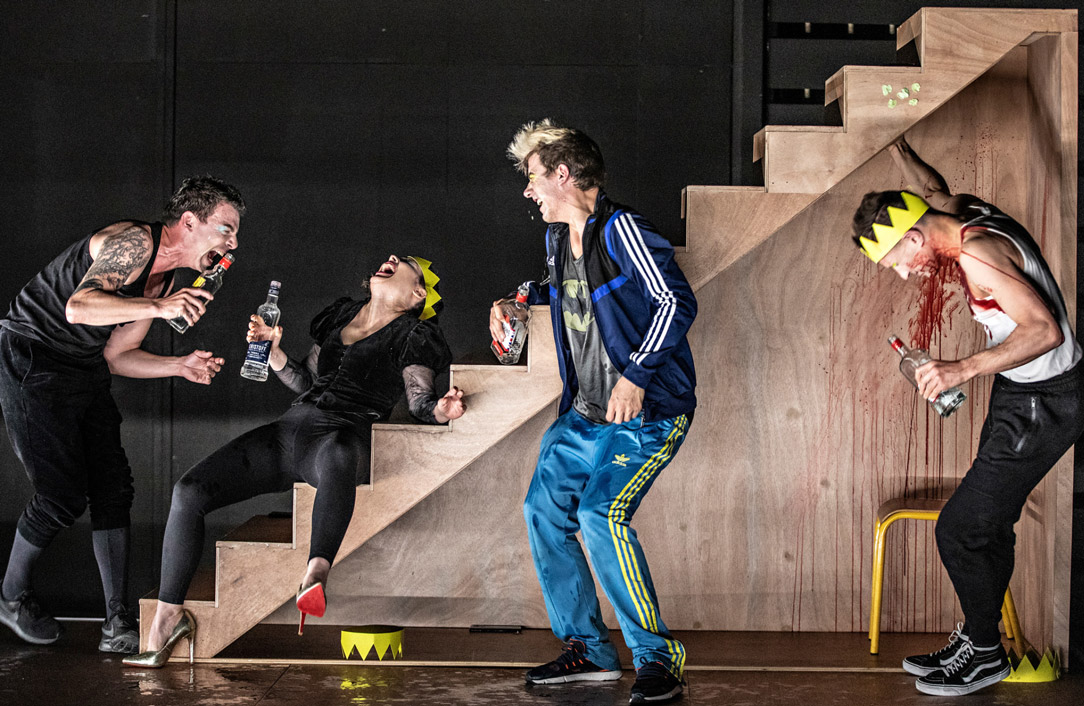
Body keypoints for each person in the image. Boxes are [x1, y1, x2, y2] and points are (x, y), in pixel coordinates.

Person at [125, 253, 465, 668]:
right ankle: (168, 617)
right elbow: (305, 380)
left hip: (340, 438)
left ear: (417, 294)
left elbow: (419, 401)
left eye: (405, 261)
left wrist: (442, 411)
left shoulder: (414, 334)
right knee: (189, 491)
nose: (391, 257)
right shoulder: (342, 315)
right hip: (290, 432)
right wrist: (273, 352)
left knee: (339, 451)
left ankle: (316, 573)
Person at [852, 136, 1083, 696]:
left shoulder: (978, 254)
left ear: (914, 237)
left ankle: (984, 656)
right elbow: (934, 189)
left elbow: (1045, 331)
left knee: (960, 528)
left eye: (897, 261)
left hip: (1047, 400)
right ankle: (981, 638)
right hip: (1020, 388)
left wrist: (960, 369)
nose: (904, 274)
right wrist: (899, 149)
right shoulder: (960, 214)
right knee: (988, 523)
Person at [492, 120, 697, 705]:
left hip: (644, 416)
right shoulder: (558, 240)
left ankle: (658, 658)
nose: (527, 190)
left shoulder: (621, 229)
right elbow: (564, 290)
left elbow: (675, 300)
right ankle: (589, 650)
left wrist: (636, 375)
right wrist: (516, 301)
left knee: (600, 514)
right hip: (583, 416)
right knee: (542, 511)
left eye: (533, 176)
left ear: (562, 174)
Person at [0, 177, 244, 654]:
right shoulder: (134, 242)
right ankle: (10, 596)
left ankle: (117, 621)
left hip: (84, 364)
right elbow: (78, 307)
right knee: (61, 496)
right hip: (33, 354)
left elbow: (116, 356)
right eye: (226, 229)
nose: (232, 244)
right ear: (189, 222)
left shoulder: (164, 279)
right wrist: (158, 305)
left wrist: (179, 365)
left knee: (113, 487)